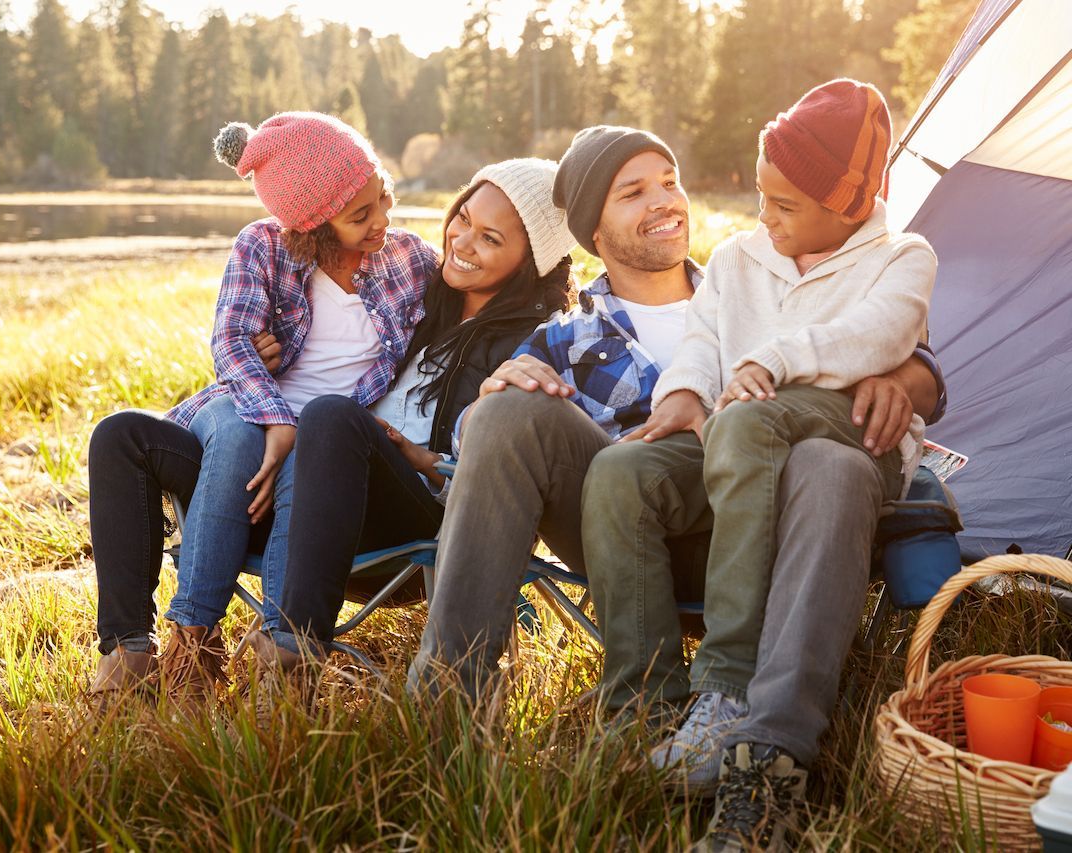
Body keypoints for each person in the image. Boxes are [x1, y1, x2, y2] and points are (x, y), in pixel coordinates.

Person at [405, 124, 945, 714]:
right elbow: (477, 453)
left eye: (669, 182)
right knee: (506, 413)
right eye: (632, 193)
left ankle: (758, 717)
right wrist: (491, 398)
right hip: (627, 544)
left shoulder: (754, 281)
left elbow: (883, 344)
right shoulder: (564, 339)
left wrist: (905, 377)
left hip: (771, 529)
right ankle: (447, 702)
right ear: (593, 230)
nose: (663, 201)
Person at [586, 80, 939, 851]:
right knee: (621, 472)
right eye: (760, 197)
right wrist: (683, 391)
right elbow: (706, 342)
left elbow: (875, 337)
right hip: (745, 430)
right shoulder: (743, 256)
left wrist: (770, 362)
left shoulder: (902, 255)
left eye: (785, 205)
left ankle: (731, 688)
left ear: (848, 203)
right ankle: (647, 714)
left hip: (843, 432)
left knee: (752, 425)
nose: (764, 217)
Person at [86, 112, 437, 704]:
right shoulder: (263, 246)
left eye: (385, 198)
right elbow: (230, 343)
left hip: (322, 456)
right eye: (360, 216)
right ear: (312, 225)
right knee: (123, 434)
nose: (381, 221)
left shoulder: (408, 260)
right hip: (245, 418)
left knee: (306, 439)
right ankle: (133, 654)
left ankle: (242, 650)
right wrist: (274, 414)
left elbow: (484, 289)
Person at [232, 159, 578, 668]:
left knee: (332, 416)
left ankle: (291, 651)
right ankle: (177, 645)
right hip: (327, 484)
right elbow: (328, 326)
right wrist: (270, 350)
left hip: (425, 517)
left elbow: (518, 475)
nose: (460, 241)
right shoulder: (420, 287)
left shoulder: (540, 341)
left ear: (532, 261)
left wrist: (423, 460)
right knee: (149, 439)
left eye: (490, 239)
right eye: (463, 217)